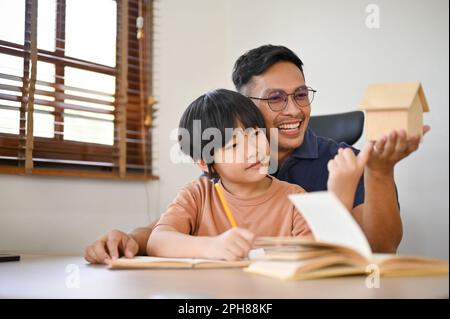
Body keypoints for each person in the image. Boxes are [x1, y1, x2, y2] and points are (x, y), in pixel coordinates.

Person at [85, 45, 428, 264]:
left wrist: (379, 173)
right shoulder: (222, 173)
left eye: (301, 94)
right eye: (276, 98)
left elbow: (370, 251)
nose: (293, 109)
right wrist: (129, 240)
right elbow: (173, 229)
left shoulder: (342, 164)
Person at [147, 89, 370, 260]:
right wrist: (212, 246)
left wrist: (340, 199)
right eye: (234, 145)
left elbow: (320, 258)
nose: (253, 149)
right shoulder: (197, 195)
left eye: (255, 134)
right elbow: (157, 241)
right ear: (205, 163)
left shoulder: (295, 198)